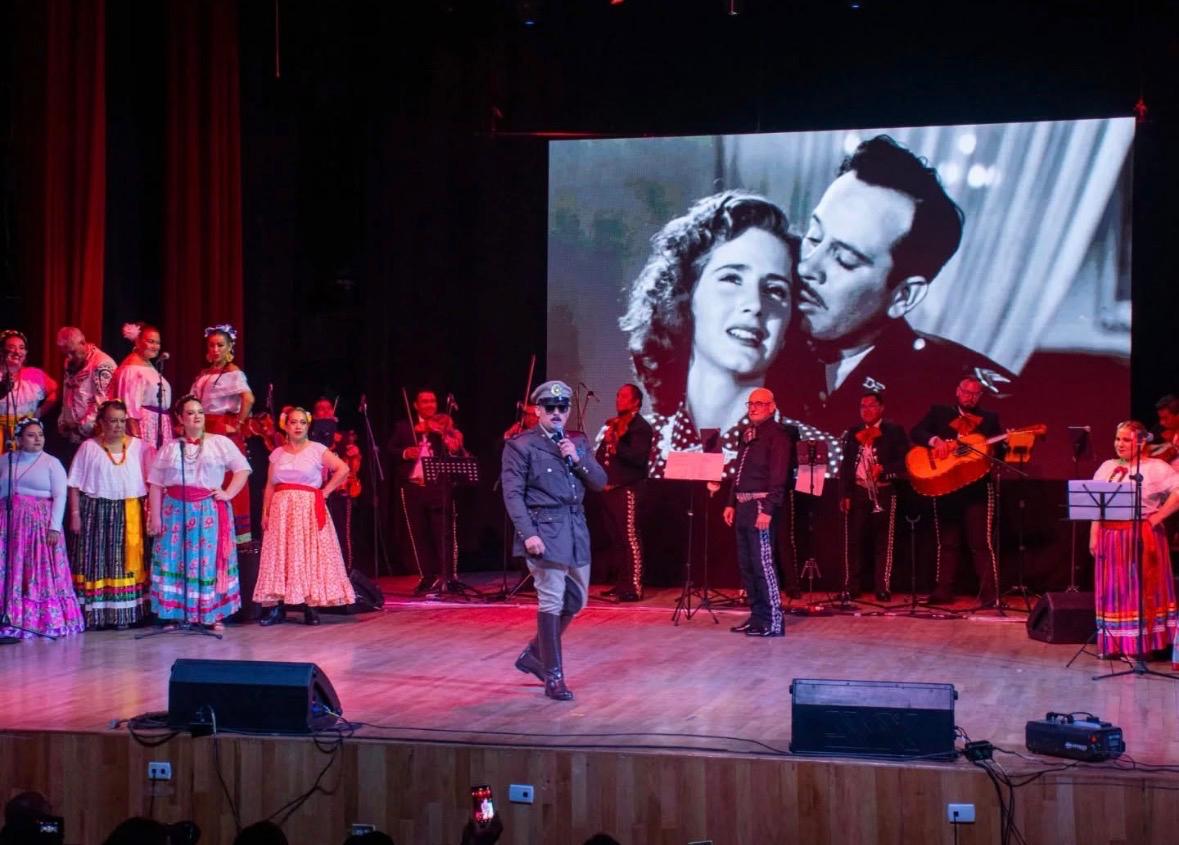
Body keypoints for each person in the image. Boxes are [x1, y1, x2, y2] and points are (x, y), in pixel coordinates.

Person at [775, 134, 1015, 435]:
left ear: (903, 296)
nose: (807, 266)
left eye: (846, 259)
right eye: (813, 237)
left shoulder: (963, 402)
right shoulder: (756, 337)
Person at [619, 190, 839, 480]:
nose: (756, 305)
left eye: (775, 290)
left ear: (790, 326)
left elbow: (817, 524)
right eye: (732, 278)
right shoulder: (634, 442)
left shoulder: (814, 449)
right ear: (685, 298)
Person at [503, 380, 607, 700]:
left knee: (576, 601)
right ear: (538, 411)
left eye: (563, 407)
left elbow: (601, 482)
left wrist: (577, 458)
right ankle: (554, 676)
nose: (558, 413)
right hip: (544, 529)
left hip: (576, 528)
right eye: (551, 407)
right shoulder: (520, 445)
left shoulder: (577, 441)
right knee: (551, 600)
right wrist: (529, 534)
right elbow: (513, 495)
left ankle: (535, 654)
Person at [147, 395, 250, 631]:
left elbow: (242, 469)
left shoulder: (219, 443)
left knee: (207, 560)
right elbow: (155, 482)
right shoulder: (170, 448)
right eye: (191, 413)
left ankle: (210, 613)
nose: (197, 416)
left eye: (200, 412)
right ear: (181, 418)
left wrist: (227, 493)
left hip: (207, 509)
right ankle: (175, 613)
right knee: (176, 559)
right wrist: (155, 516)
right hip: (175, 510)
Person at [255, 407, 355, 626]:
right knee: (282, 555)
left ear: (307, 426)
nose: (298, 426)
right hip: (282, 509)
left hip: (308, 507)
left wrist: (325, 492)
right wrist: (265, 512)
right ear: (286, 426)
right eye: (293, 422)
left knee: (308, 554)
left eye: (302, 422)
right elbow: (270, 486)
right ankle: (278, 607)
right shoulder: (278, 453)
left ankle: (310, 606)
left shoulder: (317, 450)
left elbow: (343, 468)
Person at [1089, 421, 1179, 658]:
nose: (1120, 444)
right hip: (1111, 536)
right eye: (1118, 439)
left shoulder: (1155, 467)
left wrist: (1158, 517)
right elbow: (1096, 504)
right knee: (1113, 589)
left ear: (1141, 442)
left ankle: (1140, 645)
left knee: (1138, 587)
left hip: (1141, 533)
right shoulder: (1107, 467)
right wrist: (1094, 533)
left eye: (1126, 440)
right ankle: (1114, 643)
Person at [910, 376, 1002, 605]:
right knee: (947, 541)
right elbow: (917, 432)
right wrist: (936, 441)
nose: (970, 397)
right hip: (947, 487)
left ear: (980, 396)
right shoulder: (939, 412)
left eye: (975, 394)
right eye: (966, 392)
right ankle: (943, 590)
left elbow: (997, 454)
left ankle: (990, 593)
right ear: (957, 391)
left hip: (977, 489)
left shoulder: (989, 419)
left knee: (980, 542)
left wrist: (999, 446)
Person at [66, 400, 151, 628]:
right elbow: (74, 483)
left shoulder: (140, 447)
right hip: (95, 512)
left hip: (127, 512)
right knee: (95, 561)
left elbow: (153, 482)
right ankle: (96, 616)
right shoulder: (88, 447)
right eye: (113, 420)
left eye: (122, 421)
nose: (118, 426)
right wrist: (75, 514)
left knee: (122, 562)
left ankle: (123, 615)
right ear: (101, 423)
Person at [0, 418, 84, 638]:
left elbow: (60, 495)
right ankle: (10, 616)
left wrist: (54, 527)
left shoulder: (51, 462)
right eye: (31, 435)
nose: (37, 439)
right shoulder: (7, 460)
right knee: (13, 569)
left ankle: (40, 620)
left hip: (39, 525)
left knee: (38, 569)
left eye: (40, 434)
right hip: (11, 524)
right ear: (18, 439)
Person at [722, 387, 791, 638]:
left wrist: (769, 509)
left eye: (759, 404)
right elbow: (738, 472)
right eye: (750, 403)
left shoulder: (777, 436)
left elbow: (778, 476)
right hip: (743, 506)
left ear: (772, 407)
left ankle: (773, 620)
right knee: (747, 565)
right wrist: (731, 502)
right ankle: (757, 616)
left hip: (761, 506)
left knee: (763, 565)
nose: (753, 408)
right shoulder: (749, 434)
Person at [388, 390, 466, 594]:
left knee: (444, 533)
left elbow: (456, 450)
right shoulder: (404, 427)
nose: (430, 405)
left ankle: (449, 576)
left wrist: (446, 437)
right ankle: (427, 576)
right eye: (425, 401)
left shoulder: (444, 425)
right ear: (416, 405)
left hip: (438, 486)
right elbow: (391, 450)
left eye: (432, 401)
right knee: (418, 534)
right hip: (413, 486)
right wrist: (406, 452)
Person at [838, 390, 909, 601]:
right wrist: (845, 493)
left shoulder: (894, 431)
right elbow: (846, 466)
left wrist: (884, 468)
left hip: (884, 490)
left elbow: (905, 461)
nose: (866, 410)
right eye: (863, 406)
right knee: (854, 541)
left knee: (883, 542)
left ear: (881, 408)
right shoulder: (853, 432)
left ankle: (882, 586)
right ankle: (851, 586)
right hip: (859, 490)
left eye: (871, 406)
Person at [191, 323, 255, 542]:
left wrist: (238, 423)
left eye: (220, 345)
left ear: (229, 347)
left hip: (222, 428)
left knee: (227, 476)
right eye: (212, 345)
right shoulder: (205, 373)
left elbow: (248, 398)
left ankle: (233, 536)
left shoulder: (232, 372)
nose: (215, 350)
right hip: (202, 426)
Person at [593, 383, 652, 601]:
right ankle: (622, 583)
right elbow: (602, 455)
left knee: (629, 537)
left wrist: (617, 445)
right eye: (618, 395)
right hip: (608, 490)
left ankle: (634, 586)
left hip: (627, 489)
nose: (619, 399)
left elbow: (638, 458)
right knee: (616, 538)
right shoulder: (614, 424)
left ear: (636, 401)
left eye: (624, 396)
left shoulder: (640, 427)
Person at [113, 322, 174, 462]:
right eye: (150, 341)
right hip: (145, 425)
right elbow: (127, 406)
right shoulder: (131, 368)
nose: (156, 346)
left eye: (158, 343)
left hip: (158, 423)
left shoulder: (147, 364)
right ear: (138, 341)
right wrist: (135, 434)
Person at [56, 326, 116, 447]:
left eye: (72, 352)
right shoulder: (70, 361)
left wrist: (81, 430)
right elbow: (67, 392)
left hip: (92, 435)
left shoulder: (102, 364)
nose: (68, 358)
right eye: (65, 354)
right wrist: (63, 420)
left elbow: (101, 404)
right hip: (71, 434)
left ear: (83, 343)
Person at [0, 329, 59, 453]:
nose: (17, 351)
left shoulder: (34, 375)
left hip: (26, 432)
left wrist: (39, 412)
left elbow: (55, 391)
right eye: (12, 347)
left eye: (21, 348)